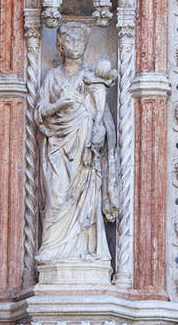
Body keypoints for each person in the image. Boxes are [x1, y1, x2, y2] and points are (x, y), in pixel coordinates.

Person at [35, 22, 119, 271]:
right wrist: (60, 105)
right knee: (56, 196)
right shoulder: (53, 77)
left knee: (86, 197)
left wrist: (100, 133)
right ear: (60, 46)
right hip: (58, 147)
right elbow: (39, 113)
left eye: (80, 42)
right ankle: (52, 250)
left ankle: (86, 250)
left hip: (85, 150)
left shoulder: (91, 79)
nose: (76, 47)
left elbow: (103, 117)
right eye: (71, 42)